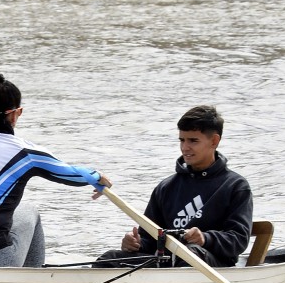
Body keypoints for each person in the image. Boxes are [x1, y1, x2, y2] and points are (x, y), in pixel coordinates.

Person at [0, 74, 112, 268]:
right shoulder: (25, 153)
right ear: (16, 113)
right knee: (30, 212)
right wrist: (97, 177)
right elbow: (70, 174)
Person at [96, 105, 252, 268]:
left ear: (214, 141)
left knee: (189, 253)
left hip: (212, 264)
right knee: (109, 258)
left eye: (193, 140)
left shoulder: (235, 186)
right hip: (167, 264)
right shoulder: (166, 187)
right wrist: (136, 243)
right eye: (182, 140)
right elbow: (149, 240)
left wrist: (205, 238)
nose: (185, 147)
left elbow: (239, 239)